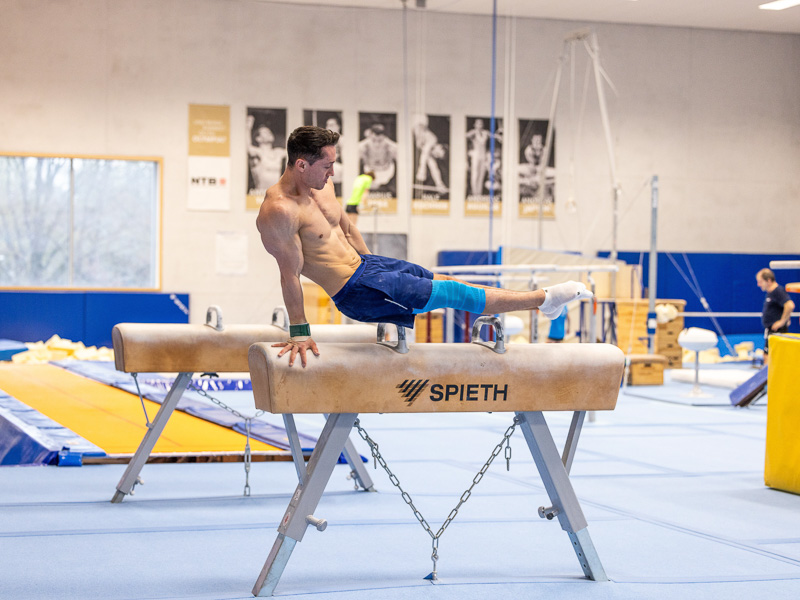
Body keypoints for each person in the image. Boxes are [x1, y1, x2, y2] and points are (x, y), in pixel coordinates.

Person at [256, 126, 592, 367]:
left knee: (443, 281)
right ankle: (544, 300)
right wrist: (299, 332)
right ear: (301, 165)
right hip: (355, 292)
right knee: (451, 292)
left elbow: (347, 227)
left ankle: (543, 303)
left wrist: (375, 266)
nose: (332, 171)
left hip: (370, 269)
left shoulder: (322, 188)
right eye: (326, 165)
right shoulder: (279, 211)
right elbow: (289, 275)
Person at [756, 268, 794, 358]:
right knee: (766, 355)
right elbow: (782, 307)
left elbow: (790, 305)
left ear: (768, 280)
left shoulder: (778, 291)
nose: (758, 284)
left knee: (772, 356)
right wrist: (787, 318)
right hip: (771, 330)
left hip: (777, 331)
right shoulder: (770, 293)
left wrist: (782, 321)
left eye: (760, 281)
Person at [247, 116, 286, 194]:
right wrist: (247, 128)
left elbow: (295, 150)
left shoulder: (278, 152)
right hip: (260, 195)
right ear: (258, 139)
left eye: (269, 131)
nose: (269, 133)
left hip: (275, 194)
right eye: (265, 132)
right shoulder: (257, 152)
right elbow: (248, 148)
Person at [358, 123, 397, 189]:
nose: (377, 144)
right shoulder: (363, 145)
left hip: (386, 171)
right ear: (370, 136)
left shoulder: (391, 145)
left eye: (380, 141)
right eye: (374, 140)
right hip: (370, 170)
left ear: (384, 137)